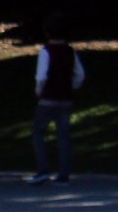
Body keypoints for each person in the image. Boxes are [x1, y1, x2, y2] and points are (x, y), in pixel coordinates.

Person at [29, 12, 84, 184]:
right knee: (64, 134)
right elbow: (80, 74)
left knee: (38, 131)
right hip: (66, 98)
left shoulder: (46, 51)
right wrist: (72, 86)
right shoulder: (70, 51)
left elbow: (41, 77)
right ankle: (64, 174)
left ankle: (43, 169)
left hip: (48, 98)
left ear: (47, 32)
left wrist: (40, 91)